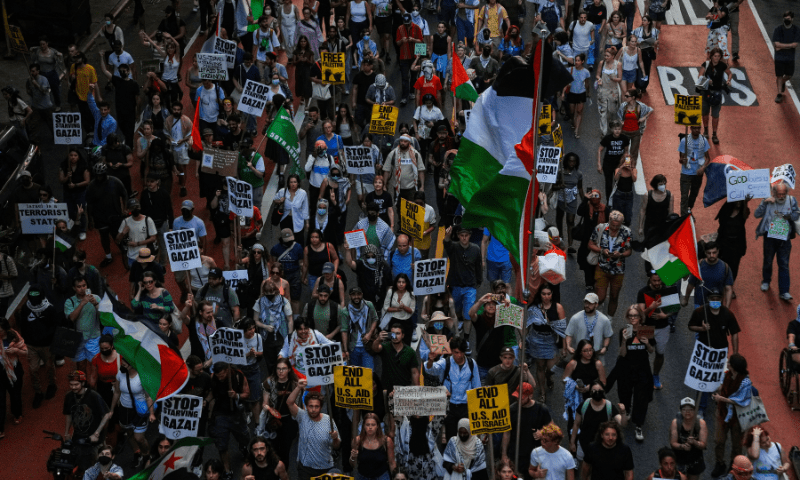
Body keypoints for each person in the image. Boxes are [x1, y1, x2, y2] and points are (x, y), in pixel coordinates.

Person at [613, 304, 655, 442]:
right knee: (625, 393)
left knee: (641, 397)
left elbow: (651, 350)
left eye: (635, 315)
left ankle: (638, 425)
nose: (633, 318)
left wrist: (647, 343)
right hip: (627, 368)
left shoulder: (646, 330)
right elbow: (622, 354)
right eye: (630, 316)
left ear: (640, 317)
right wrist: (624, 341)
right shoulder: (624, 331)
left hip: (642, 369)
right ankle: (627, 412)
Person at [424, 337, 480, 440]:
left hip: (466, 407)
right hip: (450, 407)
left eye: (461, 352)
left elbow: (477, 387)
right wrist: (430, 361)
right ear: (451, 351)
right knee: (451, 437)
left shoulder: (472, 364)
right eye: (456, 352)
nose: (459, 355)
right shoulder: (446, 362)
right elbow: (431, 369)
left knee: (466, 437)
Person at [107, 356, 156, 469]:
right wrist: (112, 409)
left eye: (125, 364)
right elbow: (117, 392)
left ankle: (146, 455)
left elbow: (149, 397)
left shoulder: (142, 376)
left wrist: (152, 413)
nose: (122, 365)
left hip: (139, 411)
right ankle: (136, 452)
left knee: (139, 438)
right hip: (124, 409)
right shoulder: (120, 374)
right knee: (128, 432)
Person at [286, 381, 341, 479]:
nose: (313, 409)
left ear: (321, 407)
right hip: (306, 468)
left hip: (325, 467)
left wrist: (335, 438)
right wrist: (298, 387)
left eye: (316, 406)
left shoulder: (328, 420)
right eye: (311, 406)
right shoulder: (302, 416)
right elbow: (289, 402)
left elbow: (336, 446)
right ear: (306, 407)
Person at [709, 354, 752, 477]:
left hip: (737, 418)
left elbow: (741, 401)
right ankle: (719, 463)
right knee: (718, 440)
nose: (726, 364)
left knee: (736, 445)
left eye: (729, 363)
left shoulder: (745, 382)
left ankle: (734, 465)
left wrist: (721, 398)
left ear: (733, 367)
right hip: (723, 413)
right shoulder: (726, 375)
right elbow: (721, 387)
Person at [754, 183, 799, 301]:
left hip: (785, 239)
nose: (781, 196)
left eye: (783, 194)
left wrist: (789, 216)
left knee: (784, 264)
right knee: (768, 261)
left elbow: (796, 215)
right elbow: (756, 214)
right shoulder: (767, 200)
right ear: (774, 193)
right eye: (779, 194)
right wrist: (764, 202)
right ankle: (766, 281)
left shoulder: (791, 200)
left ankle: (784, 291)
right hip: (770, 237)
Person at [207, 361, 251, 476]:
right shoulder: (213, 378)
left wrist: (236, 396)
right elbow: (212, 393)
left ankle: (243, 447)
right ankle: (227, 470)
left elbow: (247, 393)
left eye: (221, 375)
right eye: (218, 375)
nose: (220, 378)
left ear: (227, 370)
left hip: (236, 414)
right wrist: (206, 401)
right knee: (222, 445)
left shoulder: (238, 376)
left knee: (244, 437)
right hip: (220, 414)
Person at [18, 286, 59, 408]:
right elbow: (23, 325)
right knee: (33, 369)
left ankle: (52, 385)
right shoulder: (25, 308)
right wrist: (27, 339)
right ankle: (38, 392)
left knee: (49, 366)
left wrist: (46, 338)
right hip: (31, 345)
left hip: (46, 345)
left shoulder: (50, 309)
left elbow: (55, 327)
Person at [637, 271, 679, 388]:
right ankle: (641, 376)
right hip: (646, 327)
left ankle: (655, 375)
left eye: (659, 280)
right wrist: (651, 307)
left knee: (660, 353)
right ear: (650, 279)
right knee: (640, 353)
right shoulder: (642, 292)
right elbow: (640, 314)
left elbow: (674, 309)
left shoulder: (668, 290)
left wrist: (665, 316)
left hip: (663, 328)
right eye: (654, 280)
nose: (657, 283)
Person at [501, 381, 553, 473]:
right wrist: (504, 454)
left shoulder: (541, 409)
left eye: (522, 398)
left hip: (535, 454)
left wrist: (542, 433)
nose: (518, 400)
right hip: (516, 453)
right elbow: (507, 433)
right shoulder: (512, 410)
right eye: (517, 397)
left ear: (530, 396)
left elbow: (553, 428)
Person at [587, 210, 631, 316]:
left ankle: (609, 320)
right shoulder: (600, 228)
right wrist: (601, 251)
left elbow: (629, 251)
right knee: (600, 297)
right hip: (602, 267)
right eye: (612, 225)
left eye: (617, 226)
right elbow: (590, 244)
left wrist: (620, 254)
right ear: (609, 221)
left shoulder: (627, 232)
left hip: (618, 270)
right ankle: (597, 315)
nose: (614, 228)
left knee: (614, 296)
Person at [260, 357, 301, 465]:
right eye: (278, 369)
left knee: (285, 449)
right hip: (273, 419)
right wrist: (267, 407)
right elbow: (265, 402)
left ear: (289, 370)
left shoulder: (295, 383)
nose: (281, 372)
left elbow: (298, 404)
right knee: (273, 447)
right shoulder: (270, 382)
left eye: (283, 369)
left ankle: (283, 471)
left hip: (289, 420)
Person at [444, 225, 483, 329]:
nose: (464, 238)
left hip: (470, 286)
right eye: (462, 235)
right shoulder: (453, 247)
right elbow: (447, 244)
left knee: (468, 314)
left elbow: (478, 266)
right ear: (458, 236)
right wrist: (447, 236)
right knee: (455, 310)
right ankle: (459, 320)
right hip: (455, 285)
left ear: (470, 236)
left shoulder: (476, 249)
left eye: (466, 235)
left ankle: (466, 338)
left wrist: (479, 280)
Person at [65, 276, 101, 374]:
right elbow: (72, 318)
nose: (82, 289)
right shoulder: (70, 302)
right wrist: (82, 303)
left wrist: (96, 304)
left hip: (94, 338)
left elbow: (103, 317)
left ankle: (93, 387)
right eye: (79, 287)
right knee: (80, 367)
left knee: (95, 367)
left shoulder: (96, 298)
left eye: (84, 285)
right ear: (74, 288)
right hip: (77, 339)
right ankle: (83, 386)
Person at [565, 293, 613, 366]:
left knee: (597, 375)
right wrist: (568, 346)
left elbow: (607, 336)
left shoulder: (604, 319)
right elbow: (569, 334)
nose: (587, 305)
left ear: (596, 305)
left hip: (597, 354)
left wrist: (605, 347)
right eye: (586, 302)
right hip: (580, 354)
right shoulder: (576, 318)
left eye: (590, 303)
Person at [684, 241, 734, 308]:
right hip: (699, 304)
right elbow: (691, 284)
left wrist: (727, 307)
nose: (711, 255)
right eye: (709, 253)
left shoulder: (725, 267)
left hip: (716, 304)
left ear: (718, 252)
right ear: (705, 252)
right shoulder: (699, 266)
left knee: (714, 318)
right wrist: (685, 299)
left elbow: (728, 289)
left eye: (714, 252)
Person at [697, 48, 732, 144]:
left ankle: (714, 134)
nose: (717, 58)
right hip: (706, 92)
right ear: (711, 56)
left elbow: (729, 73)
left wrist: (729, 80)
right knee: (705, 113)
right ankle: (706, 131)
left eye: (718, 56)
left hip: (717, 93)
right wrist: (707, 81)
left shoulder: (722, 65)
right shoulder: (706, 64)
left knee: (715, 115)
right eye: (715, 56)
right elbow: (699, 75)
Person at [349, 412, 396, 479]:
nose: (370, 427)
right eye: (367, 425)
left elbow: (392, 463)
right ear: (364, 426)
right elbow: (353, 464)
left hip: (382, 476)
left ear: (377, 426)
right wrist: (353, 457)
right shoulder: (357, 441)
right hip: (362, 476)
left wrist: (395, 476)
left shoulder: (386, 441)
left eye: (373, 425)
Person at [669, 397, 707, 480]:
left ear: (695, 411)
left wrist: (695, 442)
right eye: (684, 409)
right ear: (680, 411)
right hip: (679, 459)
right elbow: (673, 443)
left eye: (690, 409)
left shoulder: (701, 423)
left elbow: (703, 444)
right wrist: (682, 446)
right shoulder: (675, 423)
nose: (687, 412)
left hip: (695, 459)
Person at [0, 318, 26, 436]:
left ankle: (17, 414)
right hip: (0, 370)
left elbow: (25, 352)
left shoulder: (14, 336)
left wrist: (16, 350)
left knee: (15, 394)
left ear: (5, 329)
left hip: (14, 370)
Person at [616, 88, 652, 164]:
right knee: (624, 152)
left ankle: (631, 168)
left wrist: (644, 117)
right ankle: (625, 166)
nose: (625, 97)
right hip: (624, 132)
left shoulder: (640, 106)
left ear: (633, 97)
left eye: (627, 96)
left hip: (635, 133)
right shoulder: (623, 106)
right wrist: (621, 121)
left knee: (633, 153)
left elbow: (650, 110)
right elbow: (619, 115)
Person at [30, 37, 66, 112]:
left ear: (47, 44)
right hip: (42, 73)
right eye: (41, 44)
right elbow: (33, 59)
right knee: (41, 89)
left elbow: (60, 62)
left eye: (43, 44)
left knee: (55, 89)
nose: (42, 46)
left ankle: (58, 105)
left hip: (51, 73)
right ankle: (41, 105)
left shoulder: (52, 52)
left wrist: (60, 57)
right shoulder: (38, 50)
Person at [396, 14, 424, 105]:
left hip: (414, 57)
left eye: (408, 23)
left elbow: (421, 41)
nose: (407, 25)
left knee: (413, 76)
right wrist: (401, 41)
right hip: (404, 57)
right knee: (404, 77)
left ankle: (412, 92)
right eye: (405, 24)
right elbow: (397, 43)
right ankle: (404, 96)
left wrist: (413, 40)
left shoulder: (417, 28)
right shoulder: (400, 28)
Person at [597, 120, 631, 198]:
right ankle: (609, 200)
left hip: (619, 165)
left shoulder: (624, 138)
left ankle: (617, 199)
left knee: (619, 183)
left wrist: (627, 163)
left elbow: (626, 151)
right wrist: (599, 164)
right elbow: (600, 150)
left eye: (619, 129)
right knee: (608, 183)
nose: (617, 131)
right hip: (608, 164)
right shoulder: (607, 138)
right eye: (615, 129)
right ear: (612, 130)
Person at [773, 11, 800, 103]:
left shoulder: (796, 30)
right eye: (785, 19)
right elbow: (776, 44)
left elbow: (795, 45)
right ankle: (779, 93)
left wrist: (781, 46)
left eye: (788, 19)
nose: (786, 20)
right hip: (779, 58)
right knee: (779, 75)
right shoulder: (778, 29)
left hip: (789, 58)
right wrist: (789, 45)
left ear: (792, 19)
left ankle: (782, 82)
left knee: (789, 75)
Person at [638, 174, 673, 243]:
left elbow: (671, 212)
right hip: (649, 226)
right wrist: (641, 227)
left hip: (662, 227)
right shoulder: (647, 195)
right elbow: (643, 211)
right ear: (655, 185)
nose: (663, 186)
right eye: (660, 184)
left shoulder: (670, 195)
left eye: (664, 184)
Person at [595, 48, 622, 136]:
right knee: (603, 113)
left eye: (607, 56)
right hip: (602, 91)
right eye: (605, 55)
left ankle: (611, 127)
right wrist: (599, 79)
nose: (605, 57)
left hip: (613, 92)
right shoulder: (601, 63)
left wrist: (614, 79)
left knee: (612, 111)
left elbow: (620, 78)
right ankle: (604, 132)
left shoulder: (618, 65)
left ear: (613, 56)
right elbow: (598, 74)